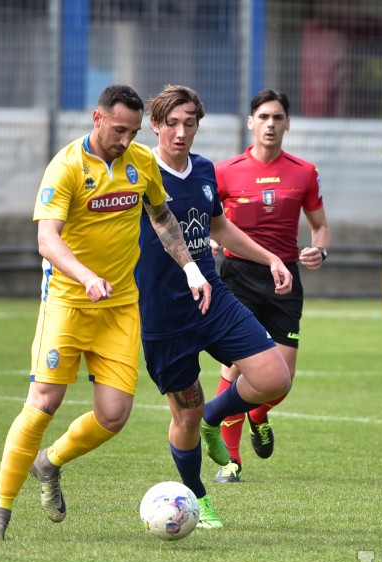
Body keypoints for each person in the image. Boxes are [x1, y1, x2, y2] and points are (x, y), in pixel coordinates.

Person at [0, 84, 211, 542]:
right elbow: (47, 239)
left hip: (121, 306)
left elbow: (162, 218)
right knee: (44, 401)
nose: (126, 140)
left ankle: (50, 463)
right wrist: (85, 276)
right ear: (97, 118)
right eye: (119, 130)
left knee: (114, 415)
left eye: (134, 132)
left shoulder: (141, 163)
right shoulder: (65, 167)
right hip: (67, 302)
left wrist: (192, 270)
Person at [138, 84, 293, 526]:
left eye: (190, 123)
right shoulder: (139, 172)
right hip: (164, 312)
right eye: (172, 124)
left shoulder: (205, 171)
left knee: (273, 377)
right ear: (155, 125)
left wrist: (270, 258)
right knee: (182, 414)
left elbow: (220, 228)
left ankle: (215, 417)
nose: (181, 133)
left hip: (212, 298)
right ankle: (197, 497)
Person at [211, 89, 331, 483]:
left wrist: (320, 251)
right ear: (251, 122)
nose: (270, 124)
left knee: (282, 378)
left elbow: (319, 227)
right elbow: (212, 219)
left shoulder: (304, 171)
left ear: (288, 124)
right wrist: (212, 239)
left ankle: (259, 413)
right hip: (239, 276)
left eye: (278, 117)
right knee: (234, 367)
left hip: (286, 279)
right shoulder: (226, 170)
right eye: (263, 116)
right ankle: (231, 461)